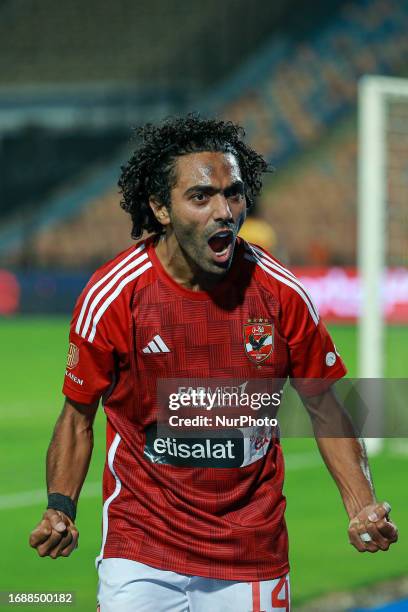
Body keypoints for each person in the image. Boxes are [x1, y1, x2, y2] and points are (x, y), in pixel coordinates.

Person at [29, 115, 398, 612]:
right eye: (201, 197)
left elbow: (325, 405)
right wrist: (61, 507)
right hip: (142, 547)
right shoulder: (115, 297)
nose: (224, 211)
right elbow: (77, 417)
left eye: (233, 193)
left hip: (250, 551)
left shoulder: (280, 295)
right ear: (160, 208)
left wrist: (361, 505)